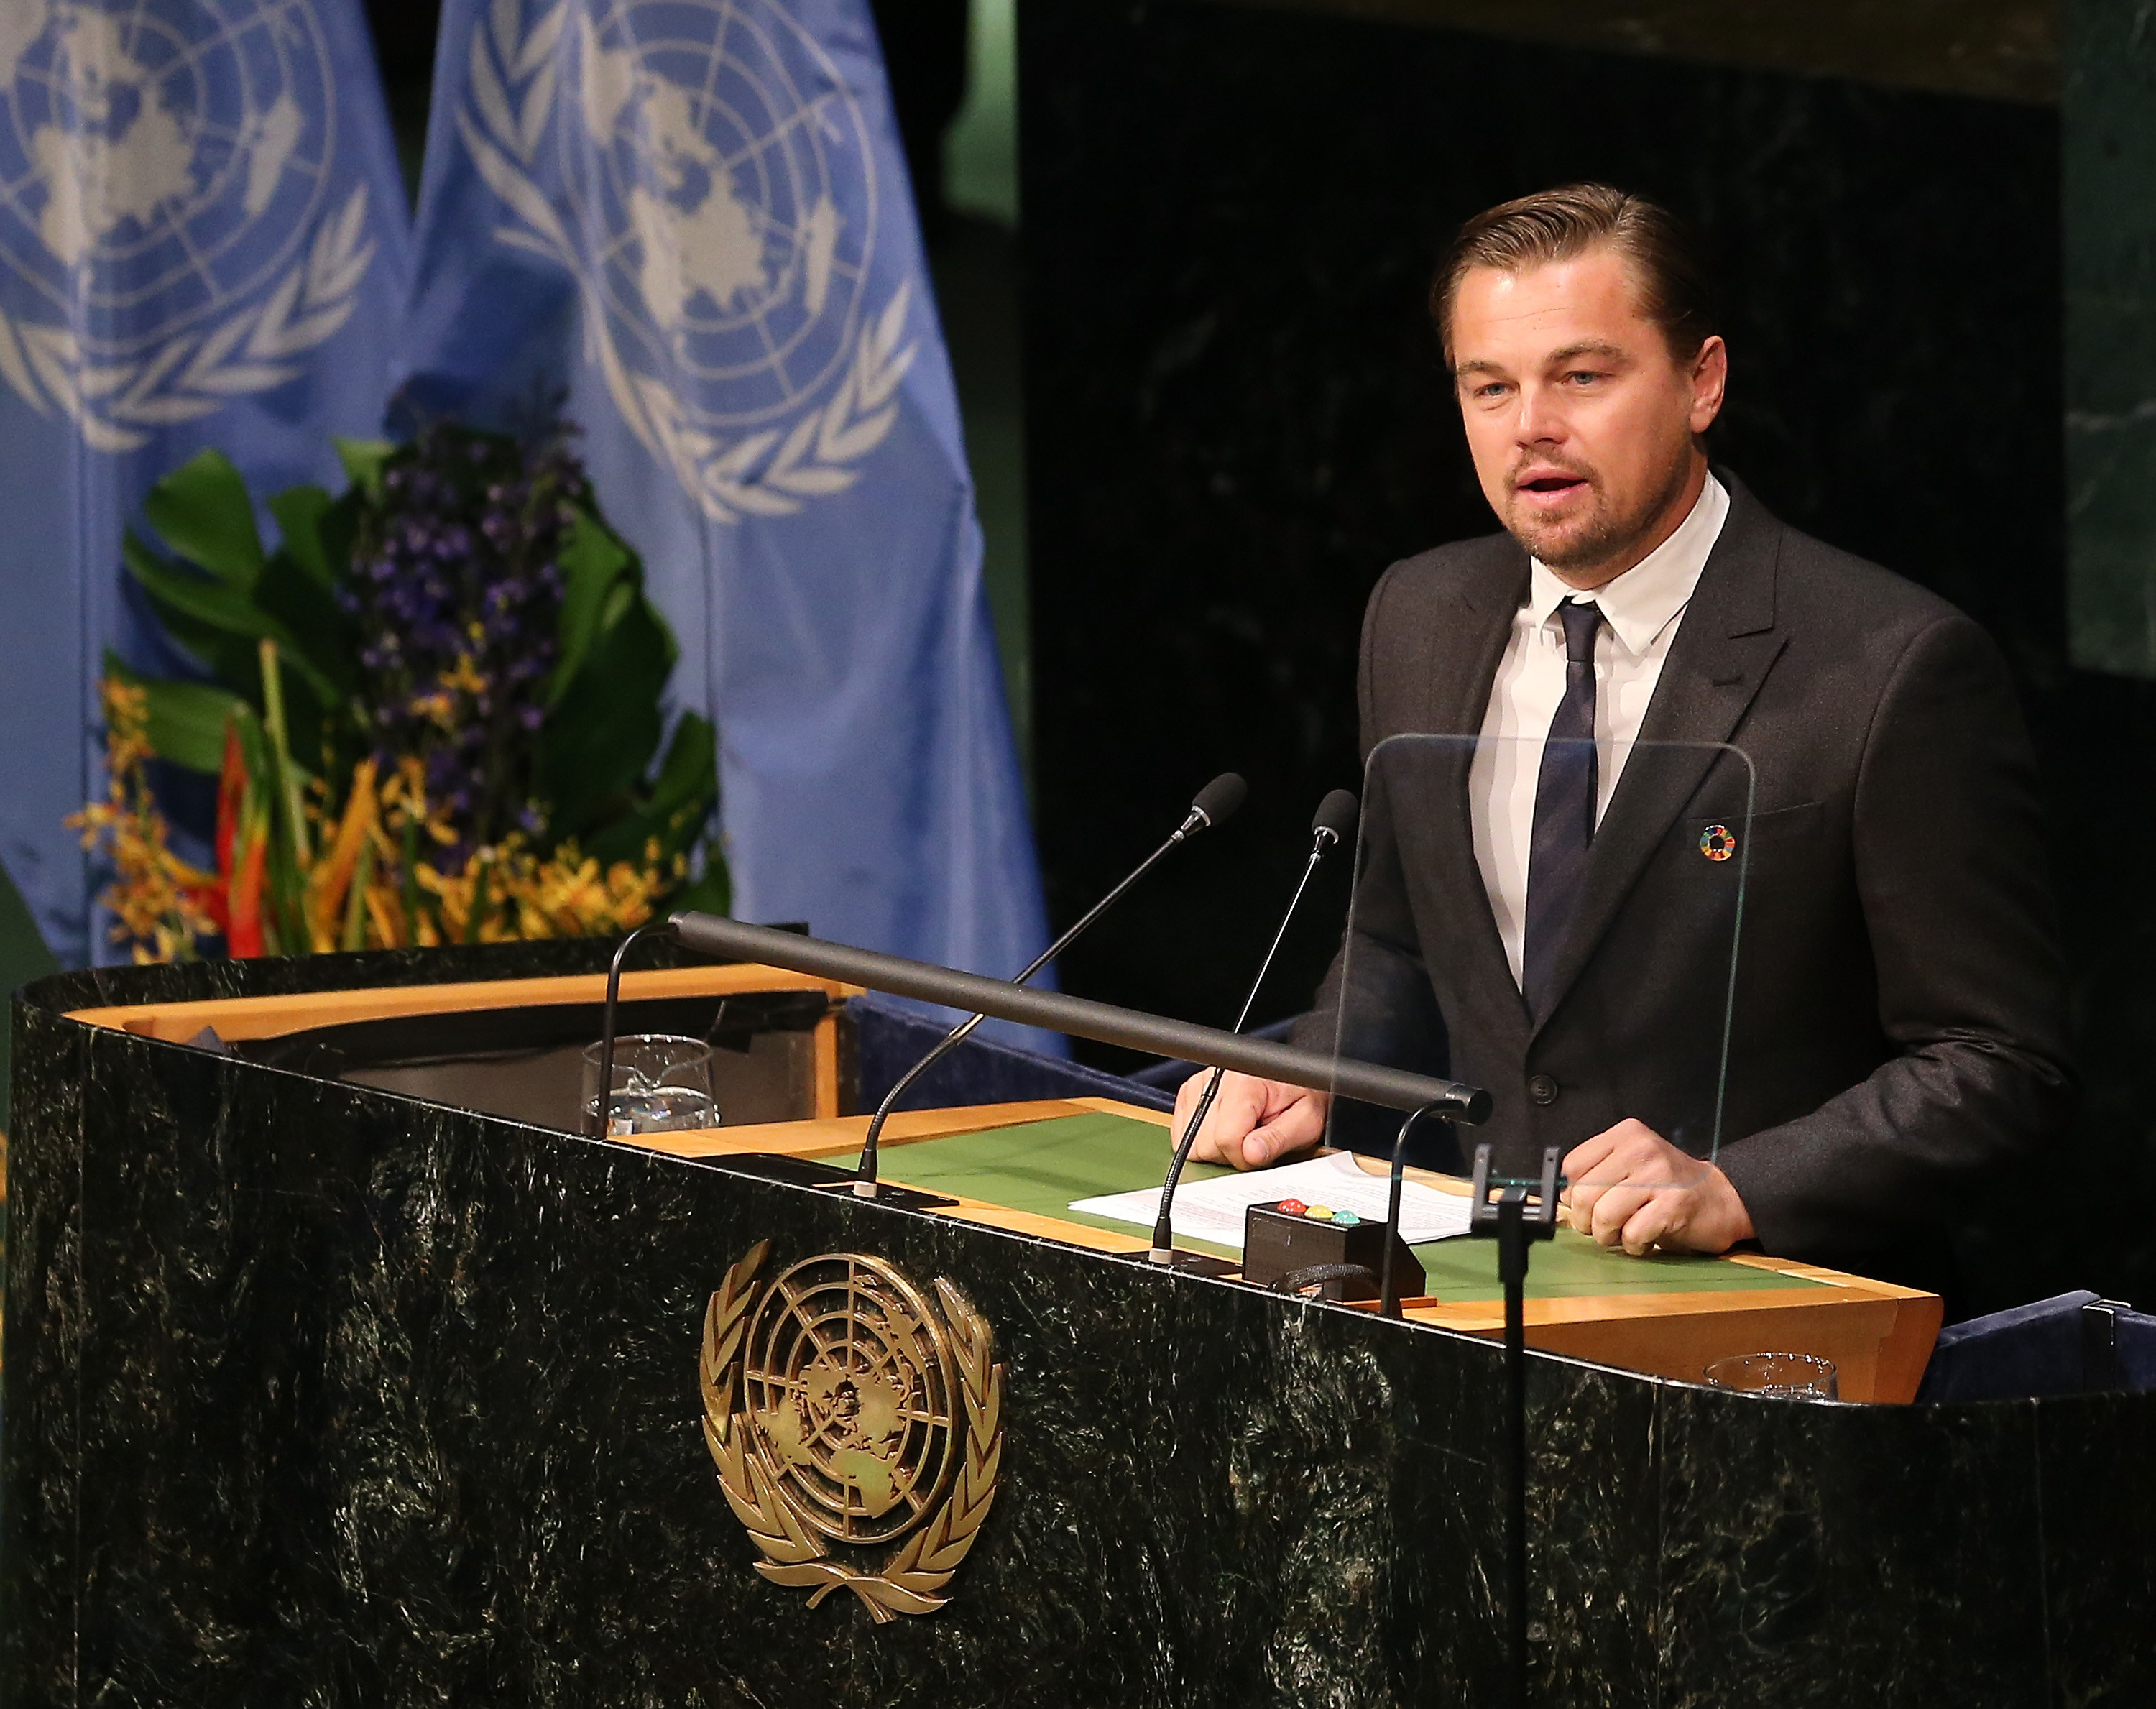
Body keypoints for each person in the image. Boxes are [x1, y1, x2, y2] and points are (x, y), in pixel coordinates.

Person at [1174, 184, 2073, 1291]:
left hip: (1762, 1330)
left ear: (1703, 381)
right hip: (1472, 1297)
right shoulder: (1416, 616)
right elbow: (1405, 941)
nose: (1529, 427)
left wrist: (1739, 1184)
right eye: (1489, 386)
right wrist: (1310, 1066)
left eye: (1581, 377)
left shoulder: (1891, 667)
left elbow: (1998, 1058)